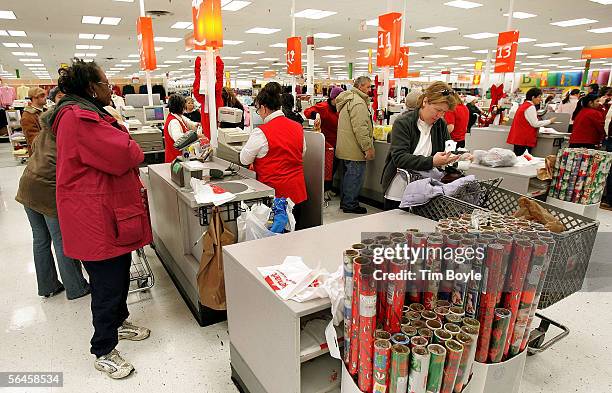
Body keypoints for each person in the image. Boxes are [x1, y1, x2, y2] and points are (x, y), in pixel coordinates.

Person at [53, 59, 152, 379]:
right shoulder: (80, 118)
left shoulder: (86, 114)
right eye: (106, 84)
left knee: (118, 273)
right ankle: (104, 349)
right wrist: (122, 130)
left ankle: (119, 322)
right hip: (96, 218)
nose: (111, 89)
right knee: (107, 282)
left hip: (105, 212)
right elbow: (128, 153)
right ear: (90, 88)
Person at [15, 95, 90, 301]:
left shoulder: (45, 132)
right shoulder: (65, 135)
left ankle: (48, 286)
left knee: (40, 239)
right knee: (61, 239)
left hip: (27, 186)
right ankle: (76, 287)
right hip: (47, 191)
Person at [382, 82, 460, 211]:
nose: (440, 115)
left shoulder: (440, 124)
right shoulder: (403, 123)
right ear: (425, 102)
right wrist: (432, 161)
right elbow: (400, 158)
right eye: (438, 110)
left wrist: (457, 156)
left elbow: (448, 148)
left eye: (444, 112)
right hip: (400, 190)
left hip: (426, 190)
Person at [240, 82, 307, 229]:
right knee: (297, 237)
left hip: (275, 198)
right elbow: (302, 152)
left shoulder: (261, 132)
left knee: (276, 242)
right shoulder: (297, 126)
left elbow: (244, 159)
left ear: (263, 108)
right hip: (297, 194)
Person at [335, 76, 375, 214]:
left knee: (347, 177)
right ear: (360, 87)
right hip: (354, 148)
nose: (370, 90)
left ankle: (345, 202)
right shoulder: (358, 103)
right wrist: (367, 147)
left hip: (345, 146)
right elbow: (361, 128)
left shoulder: (348, 99)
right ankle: (350, 204)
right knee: (354, 177)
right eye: (368, 87)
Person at [304, 86, 344, 196]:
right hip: (326, 144)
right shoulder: (324, 107)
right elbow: (307, 111)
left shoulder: (341, 108)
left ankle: (328, 189)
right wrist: (316, 114)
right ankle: (325, 190)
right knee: (327, 168)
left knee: (333, 167)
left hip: (338, 142)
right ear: (333, 98)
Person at [507, 87, 555, 156]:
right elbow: (535, 124)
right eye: (539, 97)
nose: (541, 99)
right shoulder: (530, 107)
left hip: (519, 138)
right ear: (533, 97)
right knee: (524, 161)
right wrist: (549, 121)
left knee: (518, 160)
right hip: (524, 139)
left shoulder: (523, 105)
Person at [163, 94, 200, 163]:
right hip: (176, 160)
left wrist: (198, 125)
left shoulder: (178, 116)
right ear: (180, 106)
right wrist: (197, 136)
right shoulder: (174, 122)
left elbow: (189, 122)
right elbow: (180, 140)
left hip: (180, 159)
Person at [21, 87, 47, 156]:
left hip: (48, 152)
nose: (45, 98)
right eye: (42, 96)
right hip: (38, 155)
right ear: (34, 98)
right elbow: (33, 140)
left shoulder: (46, 111)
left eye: (45, 95)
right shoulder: (27, 116)